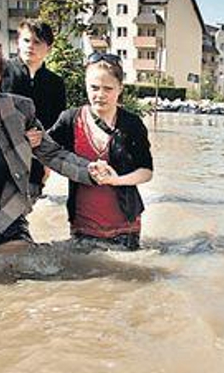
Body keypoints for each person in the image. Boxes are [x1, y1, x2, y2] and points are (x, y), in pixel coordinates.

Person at [0, 35, 111, 258]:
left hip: (4, 222)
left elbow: (51, 153)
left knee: (28, 270)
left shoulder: (18, 110)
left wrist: (89, 170)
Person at [48, 53, 154, 250]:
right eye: (94, 88)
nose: (100, 94)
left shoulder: (132, 124)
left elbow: (146, 172)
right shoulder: (69, 120)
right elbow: (48, 153)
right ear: (86, 86)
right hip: (82, 223)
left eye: (108, 89)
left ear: (120, 89)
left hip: (126, 225)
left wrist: (116, 180)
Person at [0, 20, 67, 198]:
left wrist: (48, 162)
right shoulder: (0, 73)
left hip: (35, 161)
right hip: (0, 157)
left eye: (37, 42)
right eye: (26, 40)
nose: (31, 46)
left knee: (24, 213)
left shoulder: (55, 83)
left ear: (49, 48)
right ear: (18, 42)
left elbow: (57, 125)